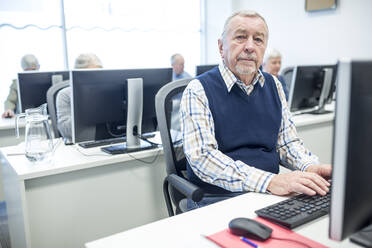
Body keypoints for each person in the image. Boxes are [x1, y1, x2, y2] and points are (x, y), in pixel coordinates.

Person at [180, 10, 331, 209]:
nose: (250, 47)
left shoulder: (273, 85)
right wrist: (269, 182)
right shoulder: (198, 89)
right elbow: (203, 158)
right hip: (216, 200)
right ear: (221, 46)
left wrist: (310, 166)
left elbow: (286, 143)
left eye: (258, 40)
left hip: (268, 196)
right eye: (241, 37)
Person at [56, 53, 103, 141]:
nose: (96, 78)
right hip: (81, 145)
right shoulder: (64, 95)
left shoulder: (107, 92)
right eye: (91, 74)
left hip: (108, 141)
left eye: (99, 73)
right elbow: (65, 131)